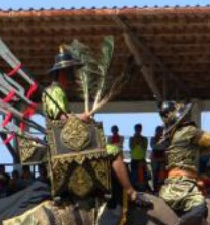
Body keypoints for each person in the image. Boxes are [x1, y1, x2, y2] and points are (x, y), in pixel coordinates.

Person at [42, 47, 149, 207]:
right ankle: (131, 192)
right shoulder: (55, 91)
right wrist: (82, 117)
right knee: (114, 151)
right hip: (65, 146)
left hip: (65, 142)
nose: (72, 77)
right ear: (63, 72)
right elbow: (62, 118)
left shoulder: (56, 91)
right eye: (71, 72)